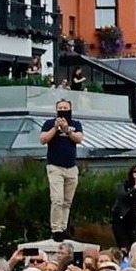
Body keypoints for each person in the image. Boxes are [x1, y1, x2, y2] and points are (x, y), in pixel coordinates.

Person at [40, 99, 84, 241]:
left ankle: (64, 227)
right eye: (61, 108)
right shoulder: (48, 123)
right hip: (55, 166)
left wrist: (67, 130)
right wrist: (55, 128)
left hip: (71, 167)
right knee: (57, 199)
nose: (63, 109)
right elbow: (43, 139)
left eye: (66, 108)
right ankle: (56, 228)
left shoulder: (75, 124)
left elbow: (79, 139)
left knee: (67, 200)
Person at [112, 165, 136, 250]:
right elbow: (123, 196)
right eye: (135, 171)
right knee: (123, 245)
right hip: (121, 218)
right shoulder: (123, 184)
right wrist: (134, 187)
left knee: (135, 242)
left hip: (133, 218)